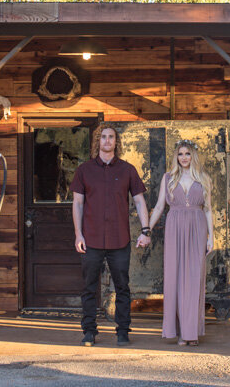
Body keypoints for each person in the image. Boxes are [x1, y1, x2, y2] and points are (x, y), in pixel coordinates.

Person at [71, 125, 151, 347]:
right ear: (98, 141)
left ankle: (123, 332)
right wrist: (78, 234)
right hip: (91, 239)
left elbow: (139, 201)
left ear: (116, 142)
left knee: (122, 287)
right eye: (103, 137)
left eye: (111, 137)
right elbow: (77, 203)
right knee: (88, 287)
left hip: (119, 239)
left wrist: (146, 230)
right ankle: (89, 332)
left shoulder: (127, 170)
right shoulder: (84, 170)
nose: (107, 141)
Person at [147, 139, 214, 346]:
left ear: (193, 156)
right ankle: (176, 331)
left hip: (197, 226)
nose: (183, 157)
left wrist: (211, 236)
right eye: (180, 154)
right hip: (174, 227)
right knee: (174, 278)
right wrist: (146, 229)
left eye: (187, 154)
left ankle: (190, 332)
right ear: (176, 157)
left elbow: (209, 209)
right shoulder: (168, 178)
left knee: (194, 279)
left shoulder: (203, 178)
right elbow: (159, 207)